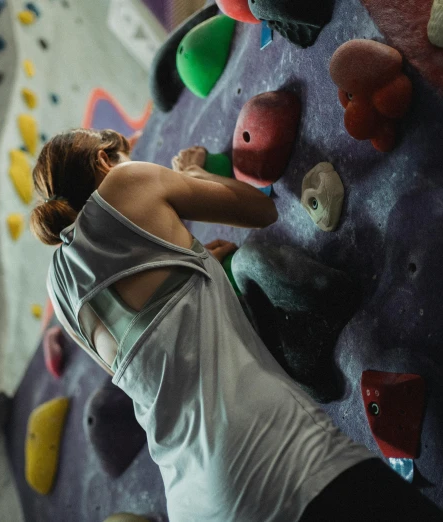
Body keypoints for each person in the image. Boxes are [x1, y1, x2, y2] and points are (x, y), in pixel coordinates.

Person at [30, 128, 443, 522]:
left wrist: (200, 267)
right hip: (275, 463)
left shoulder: (60, 289)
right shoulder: (124, 182)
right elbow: (259, 209)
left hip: (190, 502)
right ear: (105, 160)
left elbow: (154, 356)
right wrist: (191, 172)